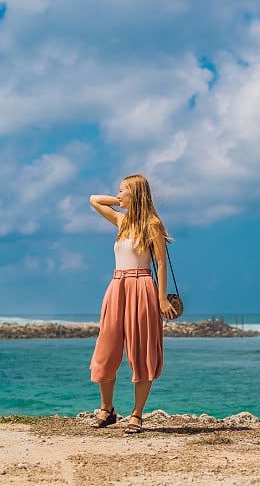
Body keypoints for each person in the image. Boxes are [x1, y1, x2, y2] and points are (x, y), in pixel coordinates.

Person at [88, 174, 178, 434]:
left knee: (142, 351)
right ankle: (107, 409)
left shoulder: (152, 224)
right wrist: (118, 198)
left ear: (135, 195)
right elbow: (95, 200)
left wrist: (161, 299)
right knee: (106, 348)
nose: (117, 197)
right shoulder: (121, 220)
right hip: (117, 286)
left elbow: (160, 263)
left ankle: (137, 414)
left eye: (122, 192)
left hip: (142, 286)